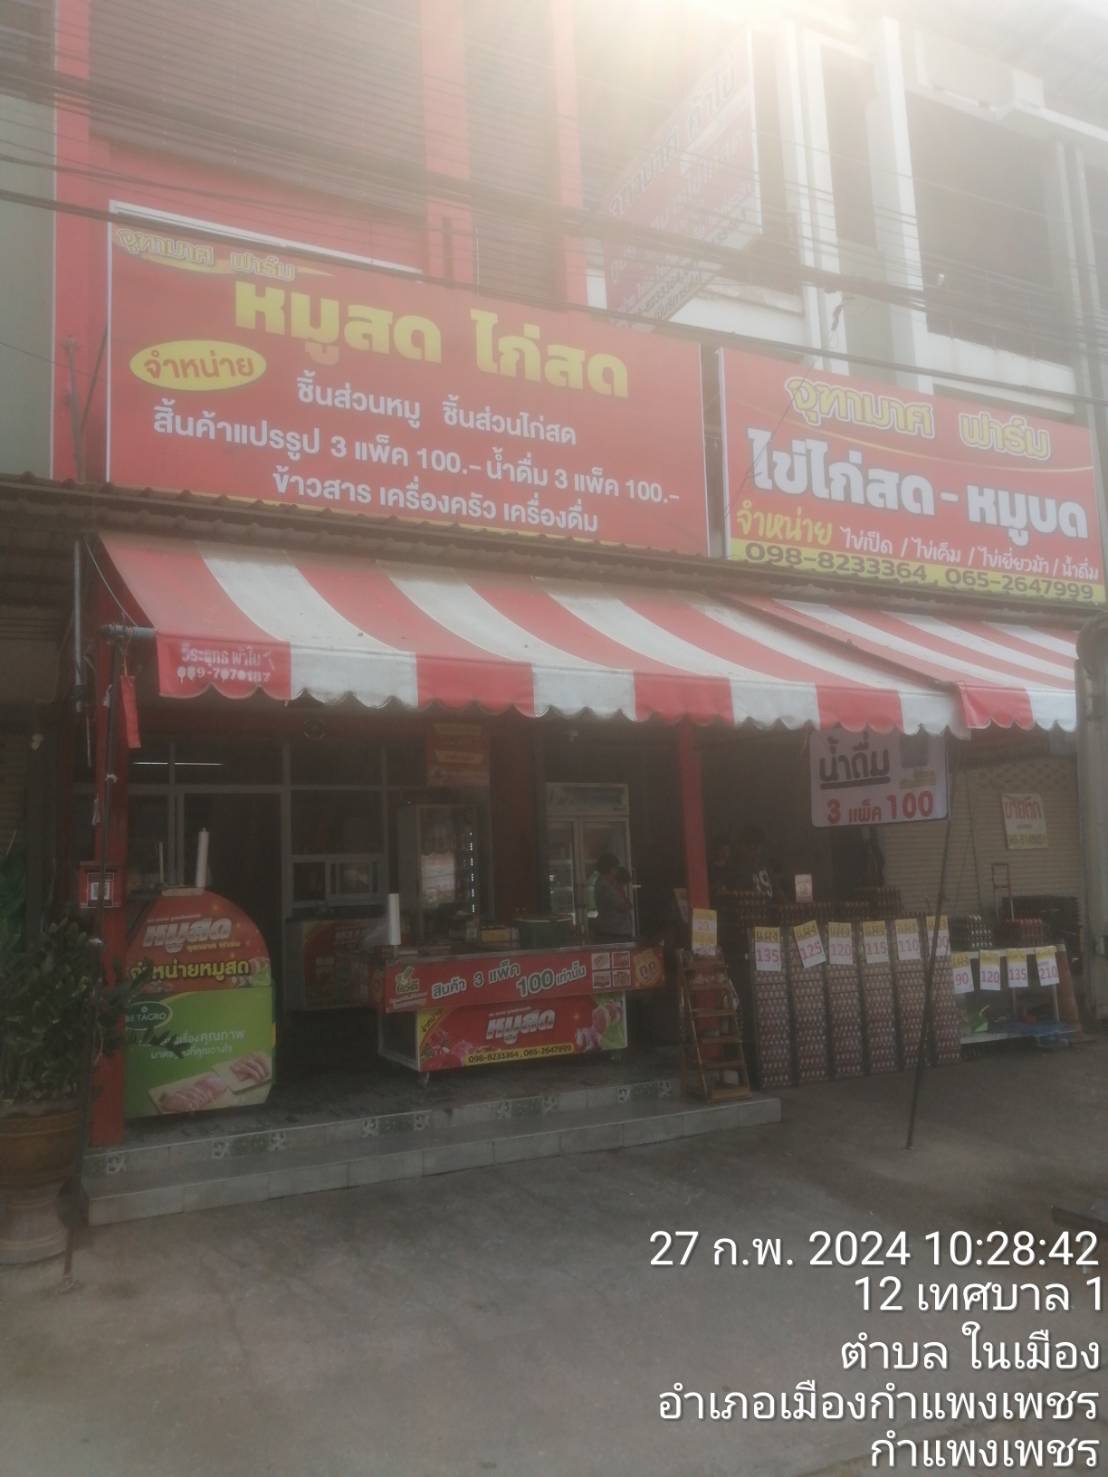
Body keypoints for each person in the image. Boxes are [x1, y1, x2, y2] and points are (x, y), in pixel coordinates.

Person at [591, 852, 635, 941]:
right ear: (611, 869)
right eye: (616, 868)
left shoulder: (604, 884)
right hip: (615, 934)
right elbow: (625, 907)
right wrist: (620, 890)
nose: (617, 871)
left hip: (613, 932)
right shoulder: (606, 887)